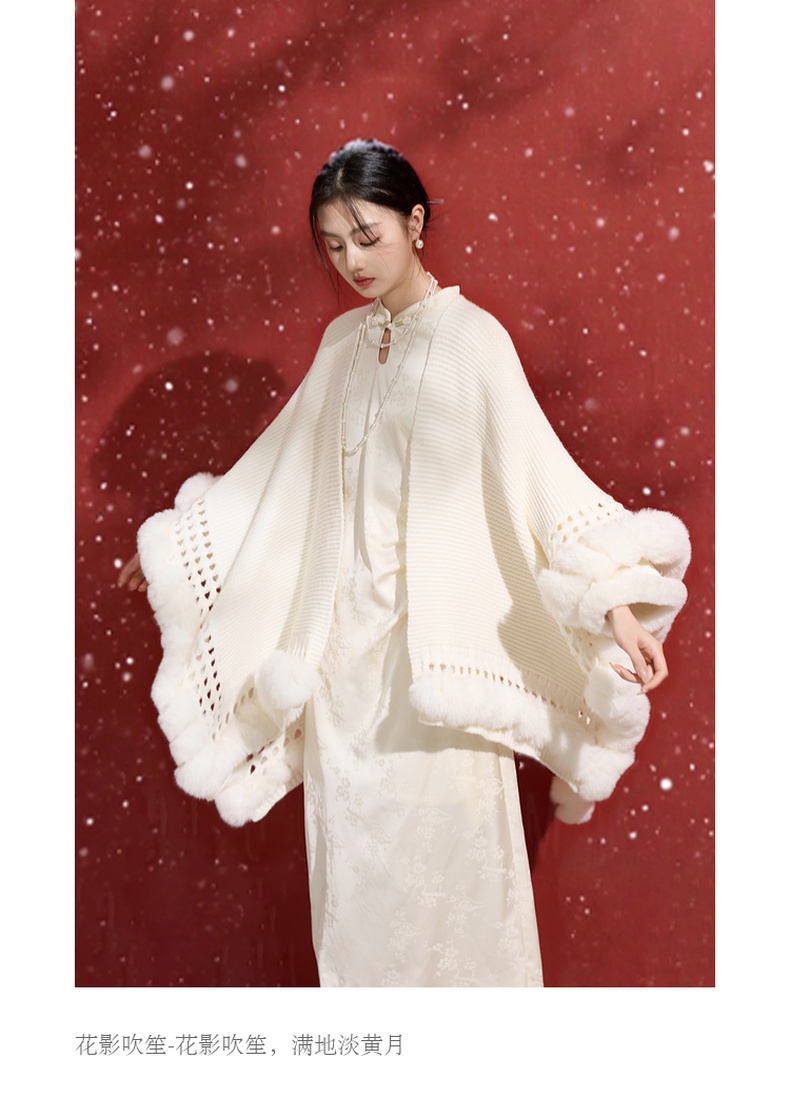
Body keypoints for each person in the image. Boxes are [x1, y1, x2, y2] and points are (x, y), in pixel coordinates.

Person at [119, 138, 690, 987]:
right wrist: (181, 551)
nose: (352, 260)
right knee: (355, 899)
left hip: (435, 671)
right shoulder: (340, 347)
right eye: (334, 244)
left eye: (367, 235)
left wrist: (615, 609)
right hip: (343, 672)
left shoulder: (473, 341)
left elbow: (540, 480)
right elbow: (279, 476)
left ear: (415, 221)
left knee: (455, 896)